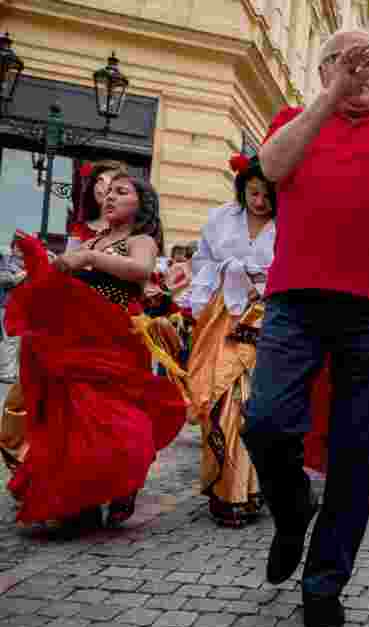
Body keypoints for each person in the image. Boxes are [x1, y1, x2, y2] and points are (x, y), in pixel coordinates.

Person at [240, 28, 369, 627]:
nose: (365, 72)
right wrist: (331, 95)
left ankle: (324, 583)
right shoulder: (295, 116)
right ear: (328, 67)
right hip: (296, 301)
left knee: (357, 455)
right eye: (352, 63)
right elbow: (271, 167)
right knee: (267, 423)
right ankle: (291, 509)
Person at [3, 174, 186, 528]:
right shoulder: (96, 238)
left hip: (117, 338)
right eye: (108, 193)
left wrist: (88, 257)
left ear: (142, 204)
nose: (110, 198)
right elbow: (63, 276)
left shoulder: (141, 239)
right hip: (80, 337)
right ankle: (79, 497)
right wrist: (40, 259)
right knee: (77, 415)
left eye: (122, 192)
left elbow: (141, 271)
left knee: (115, 415)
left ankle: (124, 482)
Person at [186, 153, 276, 527]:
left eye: (268, 196)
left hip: (268, 318)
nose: (260, 202)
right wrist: (200, 297)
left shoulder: (291, 224)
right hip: (222, 315)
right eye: (254, 193)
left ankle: (250, 489)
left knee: (254, 403)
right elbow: (203, 260)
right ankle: (224, 487)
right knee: (218, 395)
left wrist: (263, 289)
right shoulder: (221, 218)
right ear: (243, 188)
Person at [66, 160, 129, 252]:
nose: (101, 186)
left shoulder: (130, 231)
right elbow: (68, 260)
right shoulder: (80, 229)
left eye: (110, 180)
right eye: (99, 180)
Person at [0, 246, 25, 383]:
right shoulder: (6, 262)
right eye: (18, 247)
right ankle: (5, 372)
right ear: (13, 248)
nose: (21, 250)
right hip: (8, 306)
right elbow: (7, 280)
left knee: (16, 341)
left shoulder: (26, 263)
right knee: (9, 339)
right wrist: (26, 272)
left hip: (21, 307)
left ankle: (11, 371)